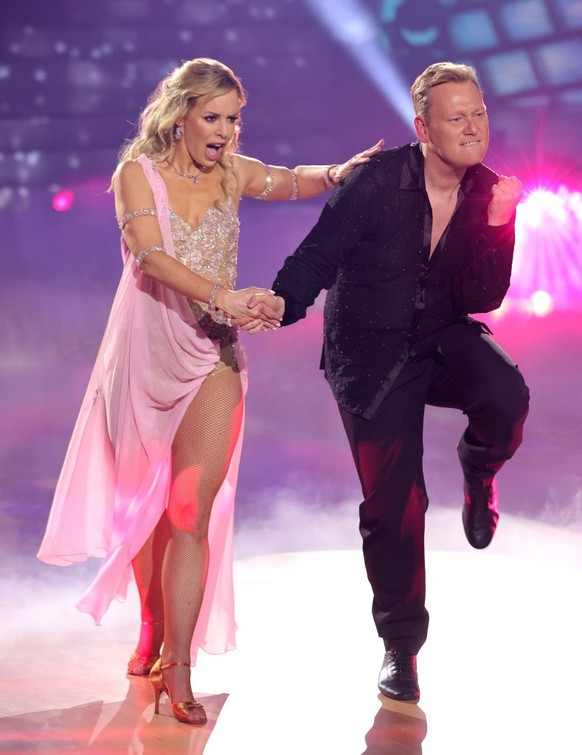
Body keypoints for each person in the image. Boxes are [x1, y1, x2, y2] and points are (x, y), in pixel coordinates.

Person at [37, 57, 381, 725]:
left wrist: (335, 173)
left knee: (189, 507)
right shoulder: (136, 173)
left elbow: (287, 180)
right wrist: (227, 293)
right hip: (142, 357)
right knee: (145, 512)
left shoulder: (231, 170)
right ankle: (151, 625)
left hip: (212, 354)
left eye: (235, 119)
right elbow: (150, 256)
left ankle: (180, 663)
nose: (227, 132)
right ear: (180, 115)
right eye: (214, 117)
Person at [247, 61, 530, 702]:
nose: (472, 127)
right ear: (423, 127)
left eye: (479, 113)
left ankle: (480, 468)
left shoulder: (489, 190)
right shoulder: (377, 182)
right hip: (370, 354)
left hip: (439, 334)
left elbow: (483, 295)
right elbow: (318, 254)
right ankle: (400, 646)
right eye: (456, 117)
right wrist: (283, 302)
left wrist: (501, 224)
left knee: (508, 396)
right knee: (395, 505)